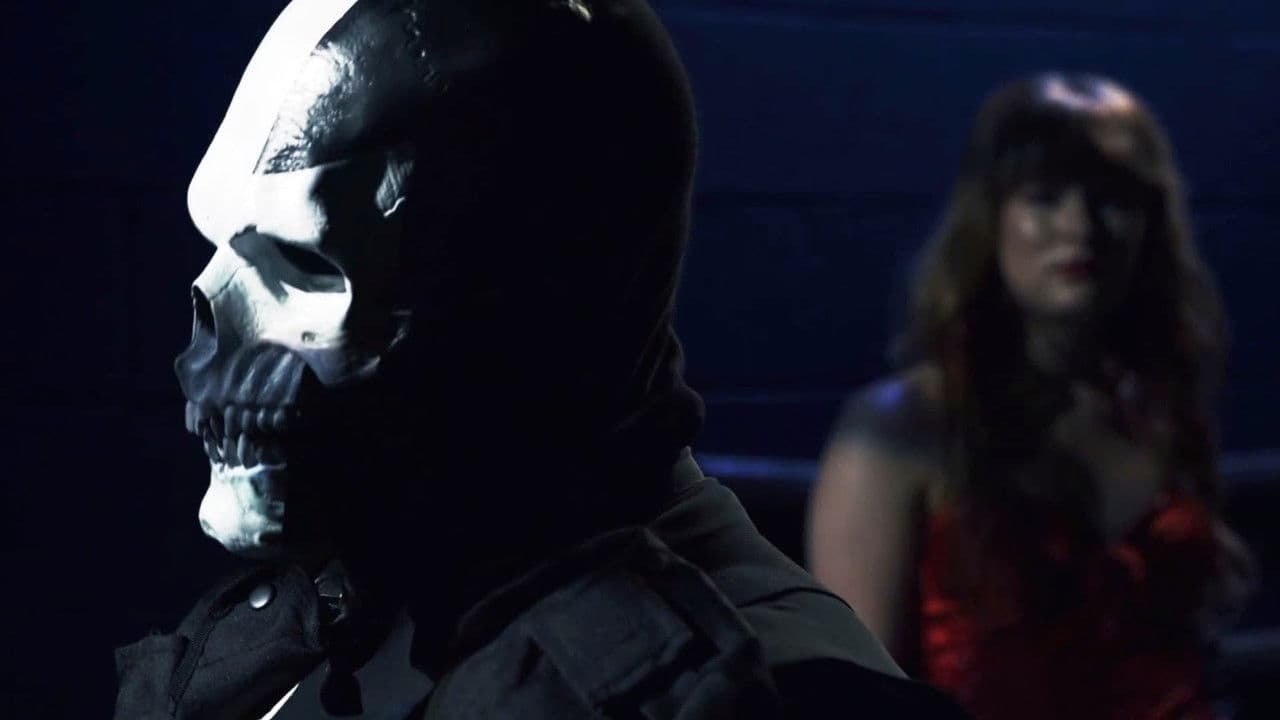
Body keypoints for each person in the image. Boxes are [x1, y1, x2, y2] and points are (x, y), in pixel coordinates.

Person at [113, 0, 969, 717]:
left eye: (305, 268)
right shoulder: (316, 632)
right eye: (219, 251)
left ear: (531, 297)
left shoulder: (758, 688)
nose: (209, 331)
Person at [807, 72, 1254, 720]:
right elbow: (857, 697)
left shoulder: (1162, 411)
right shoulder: (900, 427)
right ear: (992, 217)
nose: (1080, 226)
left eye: (1112, 198)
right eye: (1045, 196)